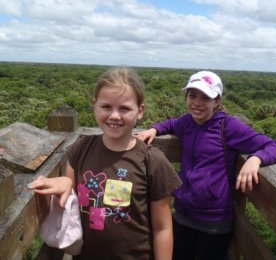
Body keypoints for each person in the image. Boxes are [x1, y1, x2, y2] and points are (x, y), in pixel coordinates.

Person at [28, 67, 182, 260]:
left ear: (140, 111)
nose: (115, 115)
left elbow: (163, 227)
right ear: (94, 105)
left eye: (124, 108)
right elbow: (72, 199)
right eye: (106, 106)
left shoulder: (152, 161)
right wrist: (65, 184)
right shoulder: (81, 149)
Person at [136, 70, 276, 260]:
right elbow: (172, 124)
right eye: (192, 95)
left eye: (206, 97)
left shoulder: (228, 126)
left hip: (214, 222)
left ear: (217, 102)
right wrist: (155, 128)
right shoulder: (186, 122)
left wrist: (256, 159)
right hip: (183, 213)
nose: (197, 102)